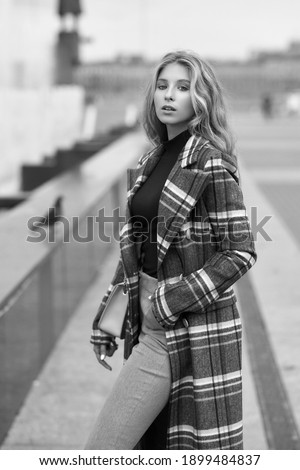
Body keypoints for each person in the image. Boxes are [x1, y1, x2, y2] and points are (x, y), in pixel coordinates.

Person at [85, 50, 257, 450]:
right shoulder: (150, 161)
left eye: (182, 87)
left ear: (201, 99)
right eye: (162, 86)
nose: (169, 95)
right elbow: (139, 248)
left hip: (180, 325)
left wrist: (167, 302)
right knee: (159, 447)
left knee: (103, 449)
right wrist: (110, 319)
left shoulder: (210, 164)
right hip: (143, 319)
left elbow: (240, 251)